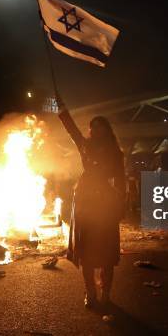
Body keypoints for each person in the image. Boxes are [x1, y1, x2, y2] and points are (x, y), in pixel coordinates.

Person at [57, 95, 126, 308]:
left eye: (100, 127)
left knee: (106, 251)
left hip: (105, 200)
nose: (96, 131)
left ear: (107, 130)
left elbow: (121, 180)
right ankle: (91, 293)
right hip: (85, 200)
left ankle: (105, 294)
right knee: (86, 252)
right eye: (93, 127)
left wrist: (120, 205)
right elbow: (72, 130)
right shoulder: (85, 145)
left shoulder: (115, 152)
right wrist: (62, 109)